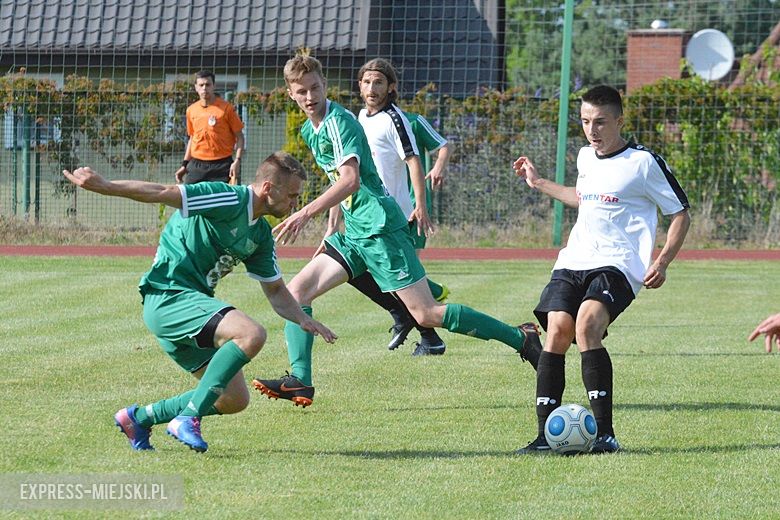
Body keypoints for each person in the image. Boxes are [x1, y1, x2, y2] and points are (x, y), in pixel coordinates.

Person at [251, 53, 541, 408]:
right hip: (355, 232)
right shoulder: (308, 131)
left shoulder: (339, 123)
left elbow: (351, 180)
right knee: (296, 294)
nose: (310, 97)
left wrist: (305, 213)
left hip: (380, 228)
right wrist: (330, 229)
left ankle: (521, 338)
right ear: (290, 93)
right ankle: (300, 381)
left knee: (426, 314)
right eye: (302, 91)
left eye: (315, 88)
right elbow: (338, 184)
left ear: (325, 85)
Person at [63, 152, 336, 453]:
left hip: (190, 307)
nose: (295, 205)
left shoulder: (259, 234)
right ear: (269, 188)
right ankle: (188, 418)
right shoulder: (226, 198)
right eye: (292, 196)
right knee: (250, 334)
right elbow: (164, 193)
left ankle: (138, 418)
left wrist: (302, 318)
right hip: (168, 295)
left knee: (233, 399)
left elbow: (275, 292)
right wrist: (106, 186)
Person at [512, 85, 691, 454]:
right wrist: (539, 182)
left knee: (587, 326)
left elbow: (680, 213)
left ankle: (606, 435)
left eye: (600, 122)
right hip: (575, 258)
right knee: (558, 331)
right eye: (585, 121)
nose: (592, 130)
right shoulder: (585, 157)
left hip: (619, 263)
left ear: (620, 121)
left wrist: (662, 261)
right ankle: (545, 436)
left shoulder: (643, 163)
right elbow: (584, 199)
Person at [346, 57, 449, 356]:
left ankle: (428, 331)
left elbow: (417, 160)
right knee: (371, 273)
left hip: (398, 217)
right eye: (366, 82)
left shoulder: (400, 120)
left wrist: (422, 206)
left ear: (391, 87)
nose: (371, 87)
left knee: (394, 280)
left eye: (378, 82)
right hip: (369, 215)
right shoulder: (360, 119)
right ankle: (425, 312)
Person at [175, 70, 245, 185]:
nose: (204, 88)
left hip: (222, 165)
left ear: (214, 86)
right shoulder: (191, 110)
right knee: (189, 200)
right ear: (196, 87)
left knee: (223, 201)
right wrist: (184, 164)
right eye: (201, 85)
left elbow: (240, 137)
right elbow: (192, 138)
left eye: (208, 85)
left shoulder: (226, 109)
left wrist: (237, 160)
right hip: (197, 164)